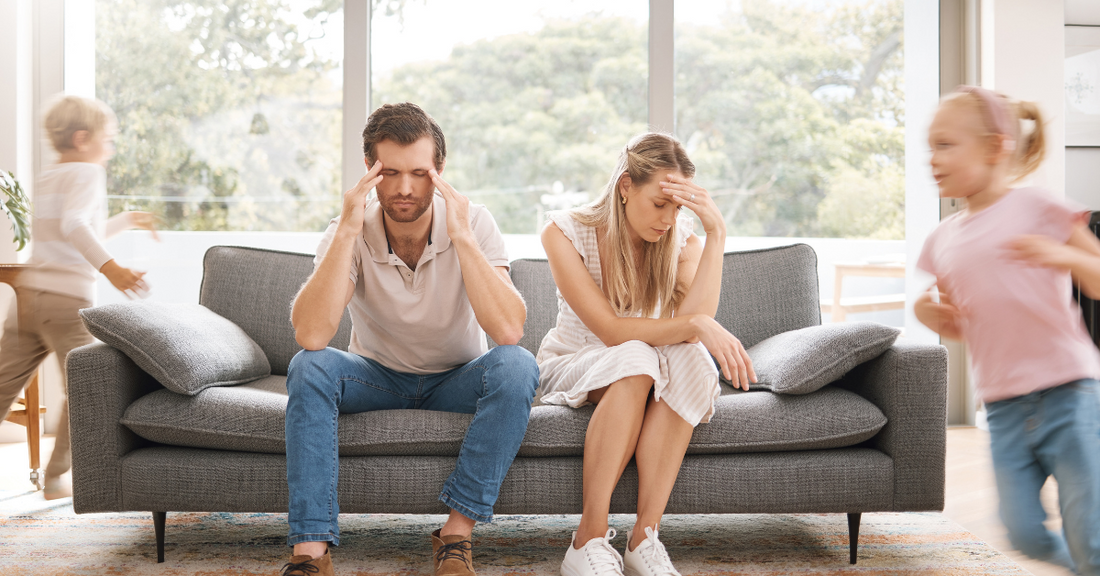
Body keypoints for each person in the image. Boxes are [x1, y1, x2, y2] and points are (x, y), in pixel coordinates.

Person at [280, 102, 539, 576]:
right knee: (308, 365)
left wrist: (460, 237)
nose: (403, 188)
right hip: (376, 377)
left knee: (517, 363)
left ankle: (455, 537)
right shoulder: (348, 229)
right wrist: (346, 232)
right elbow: (312, 334)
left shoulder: (474, 221)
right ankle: (311, 555)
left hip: (457, 378)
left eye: (419, 173)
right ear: (369, 169)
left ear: (440, 172)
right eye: (391, 172)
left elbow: (507, 331)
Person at [537, 132, 756, 576]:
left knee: (691, 362)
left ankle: (644, 540)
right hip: (575, 360)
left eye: (678, 207)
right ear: (625, 187)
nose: (669, 218)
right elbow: (611, 330)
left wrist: (716, 234)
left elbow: (696, 325)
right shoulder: (565, 231)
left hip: (644, 360)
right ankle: (587, 539)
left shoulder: (681, 238)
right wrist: (694, 325)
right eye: (660, 203)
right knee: (637, 354)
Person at [916, 85, 1100, 575]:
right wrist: (929, 315)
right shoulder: (942, 240)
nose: (932, 158)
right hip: (1002, 406)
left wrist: (1062, 254)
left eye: (946, 145)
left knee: (1091, 531)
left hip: (1070, 390)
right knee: (1022, 533)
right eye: (930, 146)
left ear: (997, 147)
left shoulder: (1040, 208)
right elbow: (962, 321)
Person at [0, 94, 158, 500]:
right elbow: (76, 226)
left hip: (30, 297)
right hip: (66, 302)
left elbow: (75, 230)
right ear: (84, 138)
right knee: (84, 387)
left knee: (3, 385)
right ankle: (55, 477)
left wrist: (127, 219)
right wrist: (113, 269)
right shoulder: (88, 174)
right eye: (109, 139)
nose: (112, 147)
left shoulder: (50, 175)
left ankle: (54, 476)